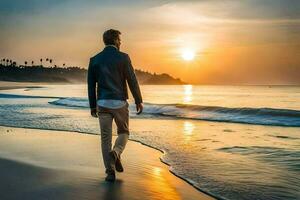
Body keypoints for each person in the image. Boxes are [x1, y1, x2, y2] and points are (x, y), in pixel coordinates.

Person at [87, 29, 143, 182]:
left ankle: (109, 171)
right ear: (115, 41)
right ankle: (117, 152)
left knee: (105, 138)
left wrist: (92, 106)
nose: (121, 42)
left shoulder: (94, 59)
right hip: (119, 102)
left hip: (102, 103)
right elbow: (132, 80)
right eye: (119, 40)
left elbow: (91, 85)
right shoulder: (123, 58)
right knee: (124, 132)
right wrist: (138, 100)